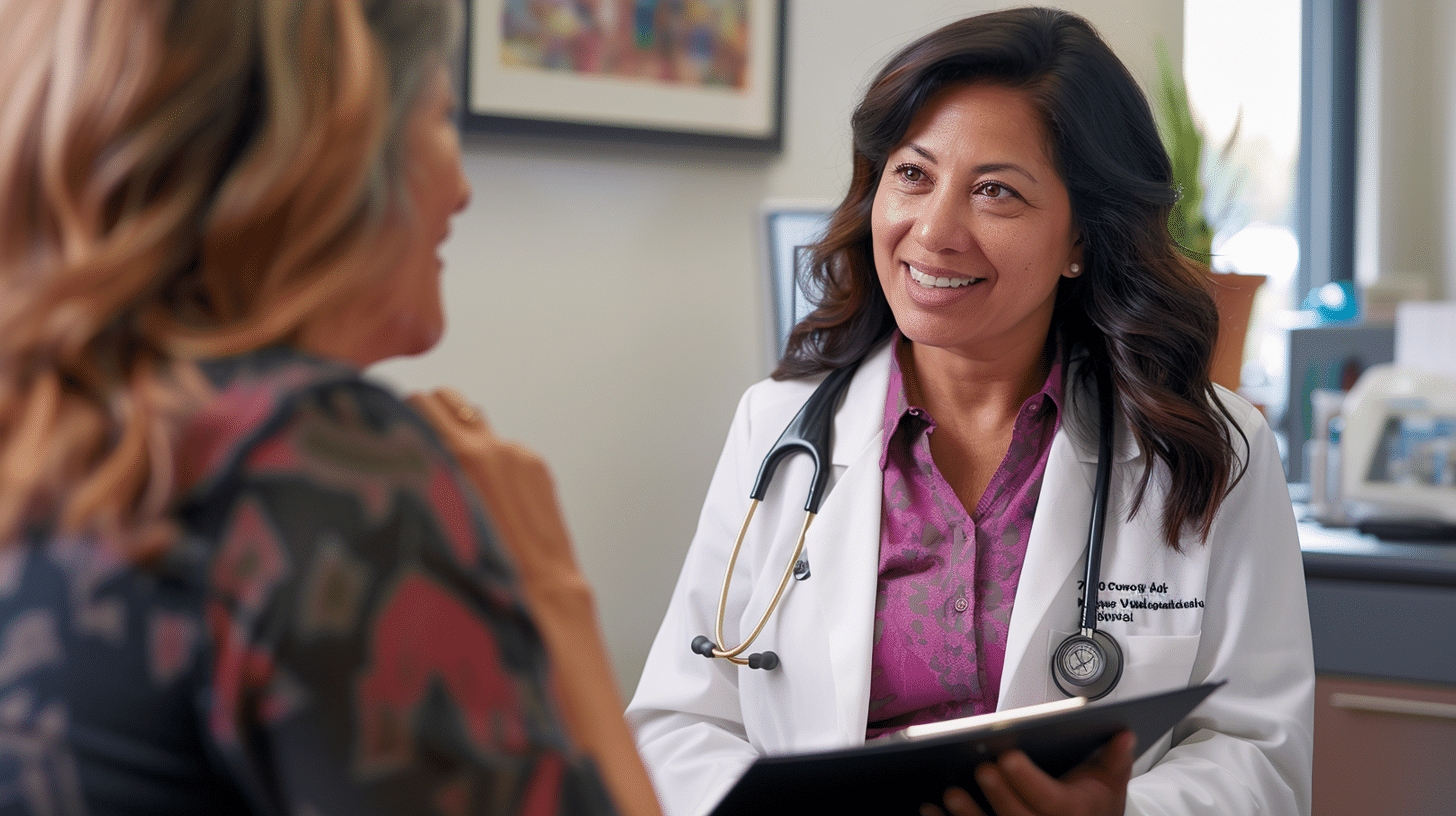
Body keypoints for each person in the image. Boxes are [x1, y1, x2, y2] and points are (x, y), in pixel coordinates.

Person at [626, 7, 1314, 816]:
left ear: (1080, 240)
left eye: (995, 191)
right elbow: (679, 720)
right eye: (913, 175)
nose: (935, 231)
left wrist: (1120, 815)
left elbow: (1260, 751)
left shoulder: (1208, 448)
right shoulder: (777, 425)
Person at [0, 2, 658, 815]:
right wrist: (553, 591)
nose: (461, 190)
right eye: (442, 118)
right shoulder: (316, 460)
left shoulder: (55, 434)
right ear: (332, 147)